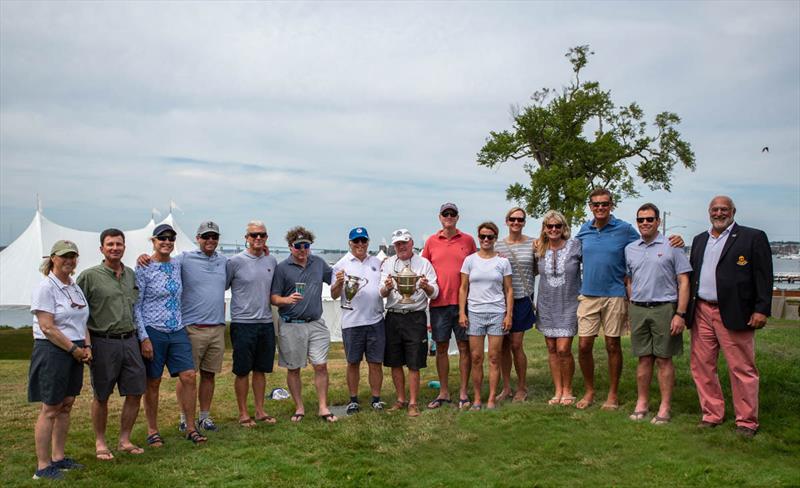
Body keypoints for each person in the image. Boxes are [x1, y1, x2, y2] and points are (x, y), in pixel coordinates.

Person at [574, 188, 683, 410]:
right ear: (590, 206)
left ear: (611, 205)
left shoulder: (624, 229)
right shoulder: (584, 230)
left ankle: (612, 395)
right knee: (584, 345)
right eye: (595, 204)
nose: (600, 208)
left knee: (612, 344)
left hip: (615, 294)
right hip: (588, 294)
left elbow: (647, 243)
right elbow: (568, 250)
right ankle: (589, 391)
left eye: (604, 204)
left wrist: (677, 240)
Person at [687, 196, 772, 438]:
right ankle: (712, 414)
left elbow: (764, 276)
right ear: (709, 212)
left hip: (735, 311)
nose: (719, 213)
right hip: (702, 310)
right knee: (702, 366)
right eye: (715, 209)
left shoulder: (752, 237)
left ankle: (746, 421)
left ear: (733, 211)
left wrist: (761, 309)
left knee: (742, 367)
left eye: (724, 209)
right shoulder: (700, 240)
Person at [141, 221, 228, 432]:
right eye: (205, 236)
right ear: (197, 238)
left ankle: (204, 417)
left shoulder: (225, 261)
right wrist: (143, 257)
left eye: (214, 237)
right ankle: (183, 418)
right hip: (191, 327)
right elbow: (160, 261)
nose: (210, 240)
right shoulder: (184, 259)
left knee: (208, 375)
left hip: (215, 327)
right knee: (185, 375)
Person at [77, 229, 146, 461]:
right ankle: (100, 442)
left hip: (130, 340)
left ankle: (125, 439)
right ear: (101, 249)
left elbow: (136, 307)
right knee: (102, 395)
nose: (115, 248)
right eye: (110, 244)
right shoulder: (89, 277)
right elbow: (78, 315)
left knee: (136, 391)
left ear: (124, 247)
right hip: (102, 341)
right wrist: (86, 345)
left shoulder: (130, 275)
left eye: (119, 244)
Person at [135, 224, 206, 445]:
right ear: (153, 241)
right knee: (153, 382)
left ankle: (191, 427)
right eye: (162, 238)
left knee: (189, 376)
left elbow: (202, 254)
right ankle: (152, 430)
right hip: (153, 330)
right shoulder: (143, 267)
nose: (166, 242)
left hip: (177, 329)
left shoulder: (177, 264)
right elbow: (136, 305)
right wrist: (143, 336)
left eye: (171, 239)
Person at [28, 240, 91, 480]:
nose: (69, 260)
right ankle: (43, 467)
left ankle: (58, 458)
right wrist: (73, 350)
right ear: (53, 258)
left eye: (73, 256)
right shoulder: (46, 287)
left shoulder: (74, 286)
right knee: (51, 408)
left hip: (74, 349)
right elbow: (47, 327)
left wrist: (86, 346)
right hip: (54, 350)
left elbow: (82, 320)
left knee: (67, 404)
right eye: (64, 256)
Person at [625, 204, 691, 424]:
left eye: (649, 219)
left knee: (664, 359)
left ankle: (664, 407)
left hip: (665, 308)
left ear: (658, 221)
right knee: (643, 359)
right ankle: (642, 403)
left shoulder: (672, 246)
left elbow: (683, 281)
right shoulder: (631, 248)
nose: (645, 223)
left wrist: (680, 313)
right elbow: (629, 279)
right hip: (639, 308)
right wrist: (632, 302)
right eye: (641, 220)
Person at [271, 226, 337, 423]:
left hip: (316, 323)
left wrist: (342, 281)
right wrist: (287, 300)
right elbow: (273, 298)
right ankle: (299, 407)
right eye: (298, 246)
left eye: (306, 245)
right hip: (291, 324)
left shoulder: (318, 263)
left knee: (321, 366)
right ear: (291, 247)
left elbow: (333, 278)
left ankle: (323, 407)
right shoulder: (282, 268)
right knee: (294, 369)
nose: (302, 250)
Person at [423, 203, 477, 410]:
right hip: (438, 304)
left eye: (452, 214)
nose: (449, 217)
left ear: (457, 217)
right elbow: (424, 269)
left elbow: (477, 264)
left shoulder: (468, 240)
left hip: (464, 303)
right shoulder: (431, 242)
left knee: (465, 347)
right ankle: (443, 392)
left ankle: (463, 392)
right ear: (440, 217)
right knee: (441, 347)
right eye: (445, 214)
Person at [380, 228, 439, 417]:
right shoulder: (388, 264)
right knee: (394, 361)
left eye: (404, 242)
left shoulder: (424, 264)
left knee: (414, 362)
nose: (401, 246)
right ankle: (400, 399)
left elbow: (435, 292)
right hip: (394, 315)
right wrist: (387, 288)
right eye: (397, 244)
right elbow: (380, 292)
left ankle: (413, 403)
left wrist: (426, 286)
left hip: (415, 316)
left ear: (411, 243)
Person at [227, 220, 279, 427]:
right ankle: (243, 413)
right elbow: (220, 285)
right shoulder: (234, 262)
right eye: (254, 235)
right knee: (242, 371)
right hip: (242, 323)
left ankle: (259, 410)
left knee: (260, 370)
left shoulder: (271, 261)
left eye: (262, 235)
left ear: (266, 238)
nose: (258, 238)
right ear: (246, 238)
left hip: (265, 322)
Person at [330, 227, 386, 414]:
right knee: (353, 362)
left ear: (368, 242)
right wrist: (338, 283)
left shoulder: (377, 263)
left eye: (363, 241)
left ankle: (376, 399)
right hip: (352, 322)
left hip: (376, 320)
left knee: (375, 362)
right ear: (350, 243)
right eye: (356, 241)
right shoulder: (340, 265)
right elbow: (335, 295)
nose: (360, 244)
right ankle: (353, 400)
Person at [458, 222, 513, 410]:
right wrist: (462, 312)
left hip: (497, 312)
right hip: (475, 313)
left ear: (495, 238)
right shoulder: (470, 260)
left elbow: (509, 290)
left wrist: (508, 315)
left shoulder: (502, 262)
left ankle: (491, 398)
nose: (486, 240)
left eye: (490, 236)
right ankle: (477, 398)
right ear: (478, 238)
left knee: (495, 357)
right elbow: (463, 288)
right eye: (483, 236)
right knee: (476, 358)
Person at [535, 210, 581, 406]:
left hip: (569, 303)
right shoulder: (538, 249)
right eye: (549, 226)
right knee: (552, 348)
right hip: (546, 304)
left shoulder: (575, 246)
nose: (553, 229)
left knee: (564, 349)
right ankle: (558, 390)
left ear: (564, 228)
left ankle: (568, 389)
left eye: (557, 226)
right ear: (544, 229)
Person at [494, 207, 536, 402]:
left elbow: (536, 269)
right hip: (501, 301)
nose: (516, 223)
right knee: (503, 345)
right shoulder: (498, 247)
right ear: (507, 221)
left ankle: (522, 386)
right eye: (513, 219)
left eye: (520, 219)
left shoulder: (532, 244)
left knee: (517, 344)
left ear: (524, 222)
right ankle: (506, 387)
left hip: (522, 299)